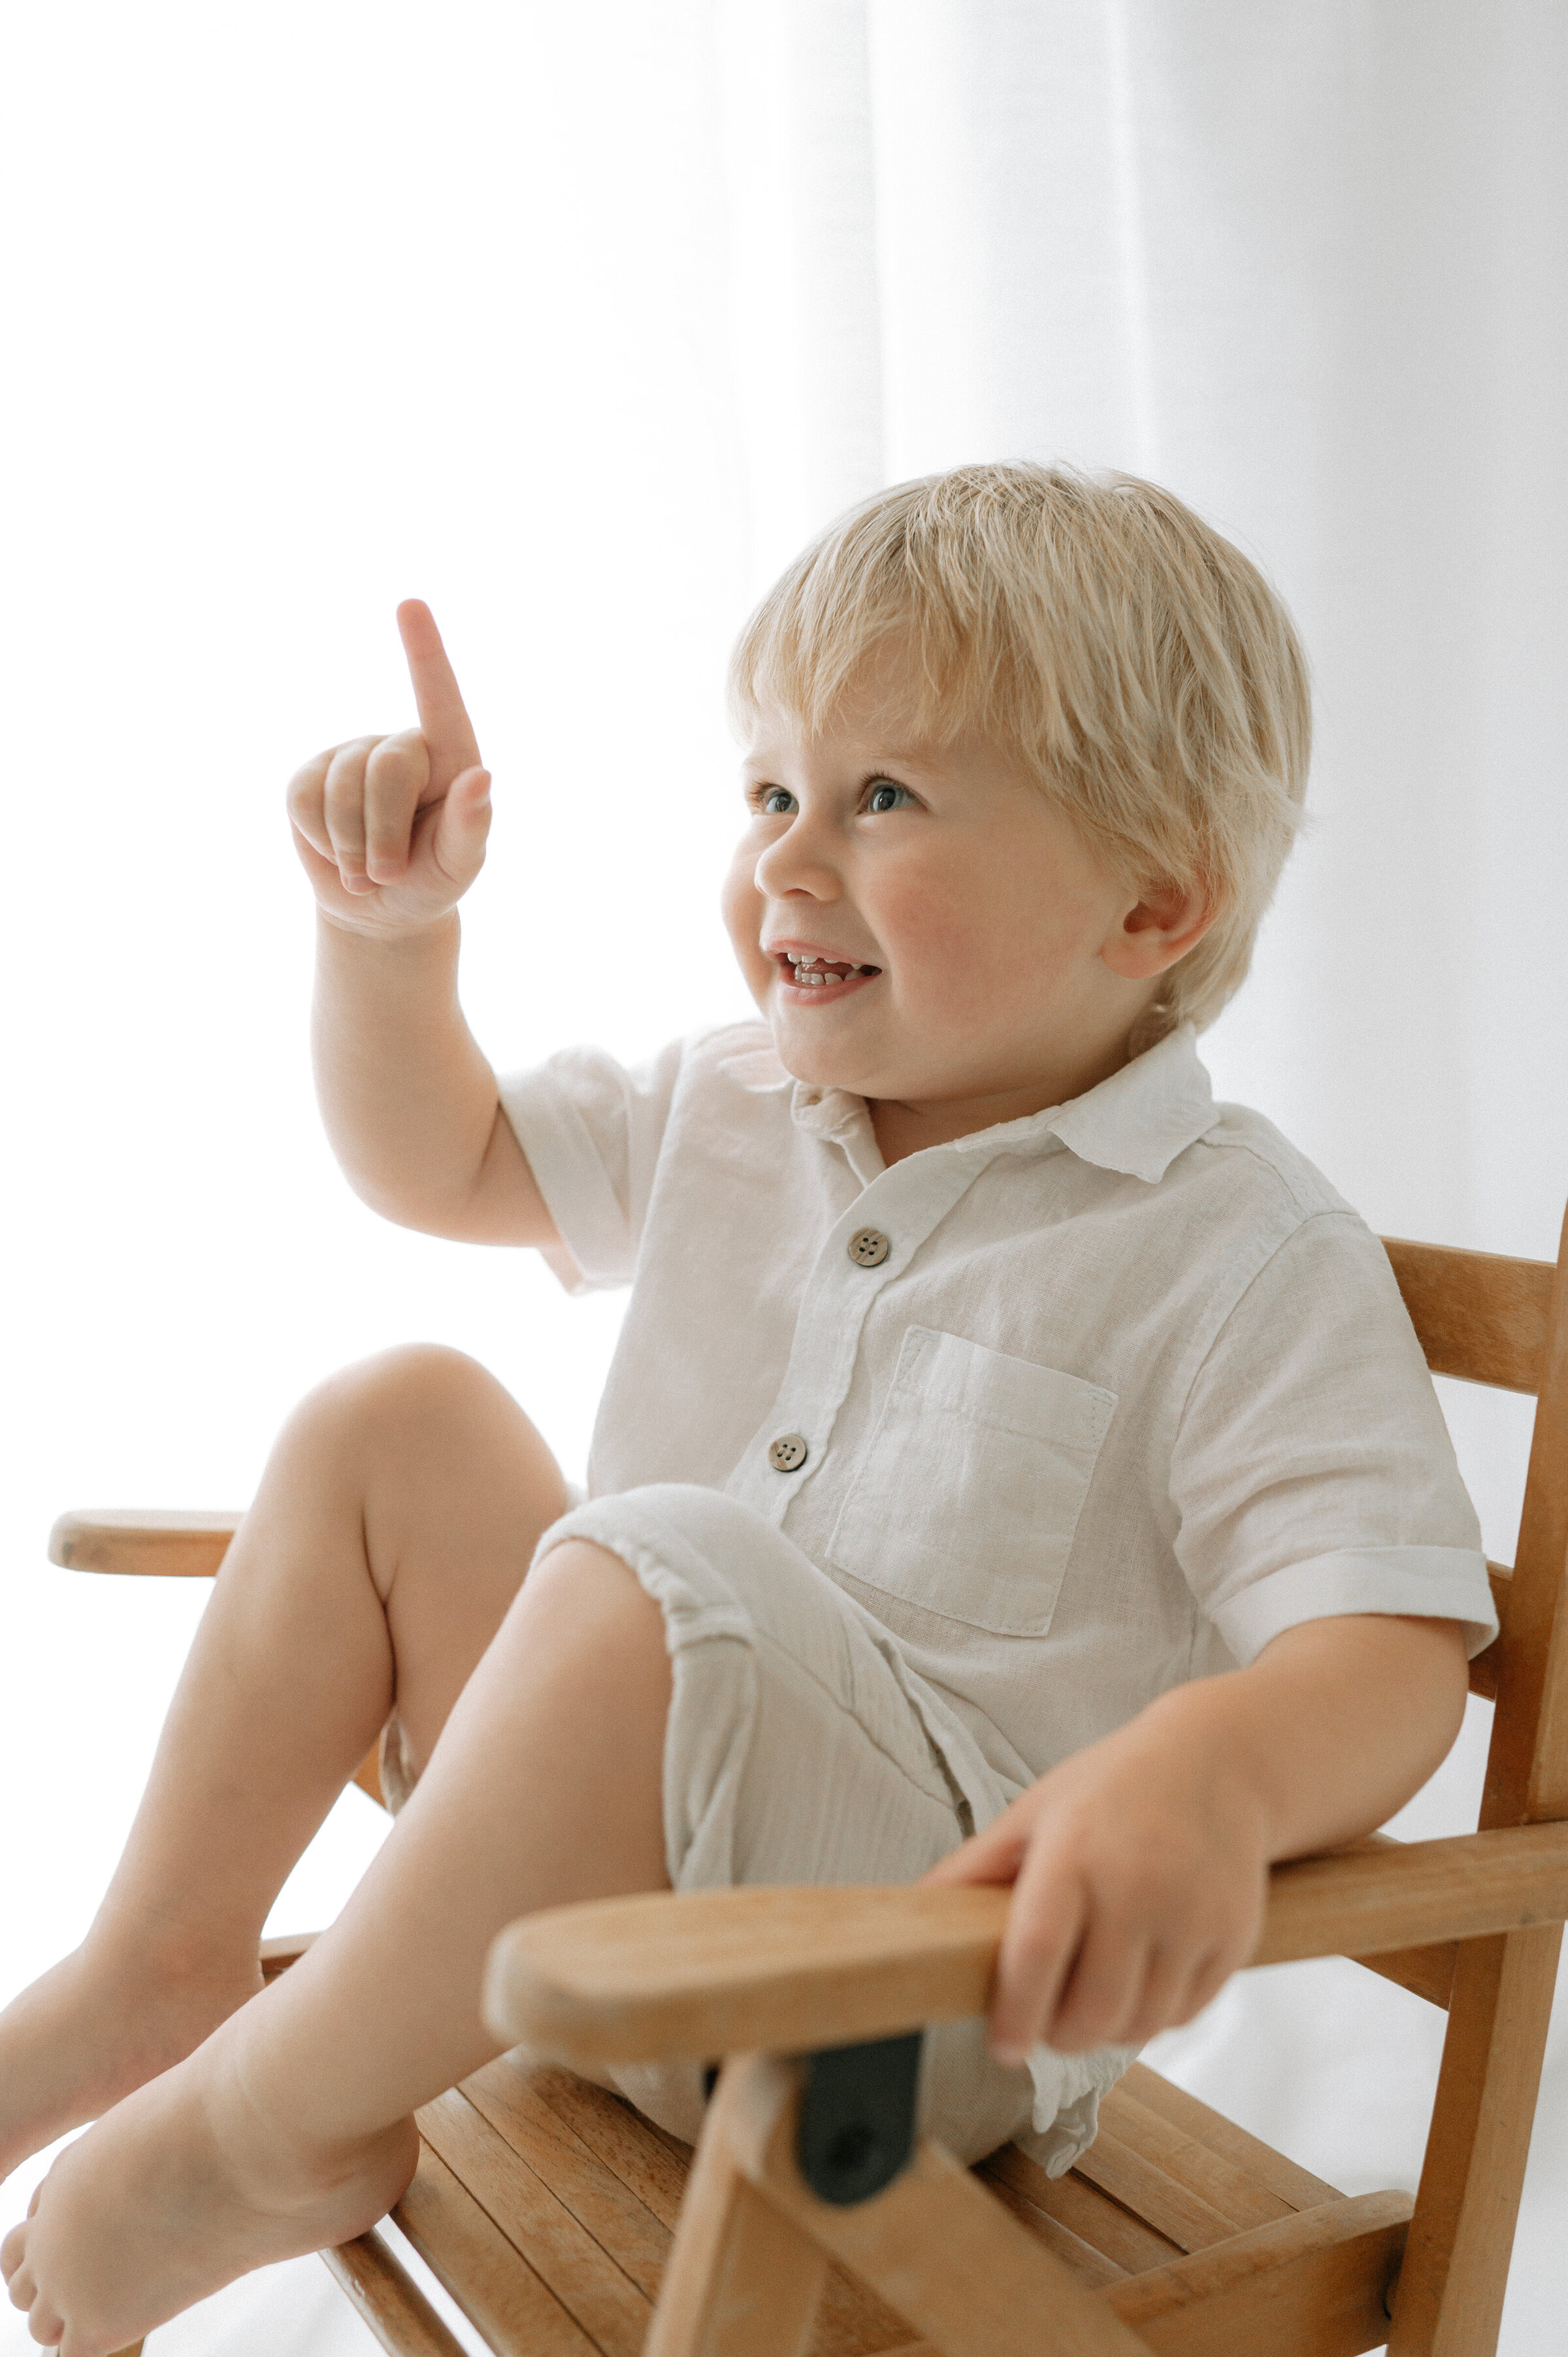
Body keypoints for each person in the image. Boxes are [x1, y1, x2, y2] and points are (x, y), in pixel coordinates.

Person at [2, 464, 1496, 2355]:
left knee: (661, 1559)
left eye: (884, 800)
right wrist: (389, 942)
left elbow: (1389, 1645)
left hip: (902, 2009)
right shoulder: (733, 1103)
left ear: (1154, 898)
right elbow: (438, 1160)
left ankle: (248, 2128)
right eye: (772, 790)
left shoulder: (1236, 1249)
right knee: (403, 1412)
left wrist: (1209, 1771)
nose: (789, 858)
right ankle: (162, 1965)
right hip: (605, 1909)